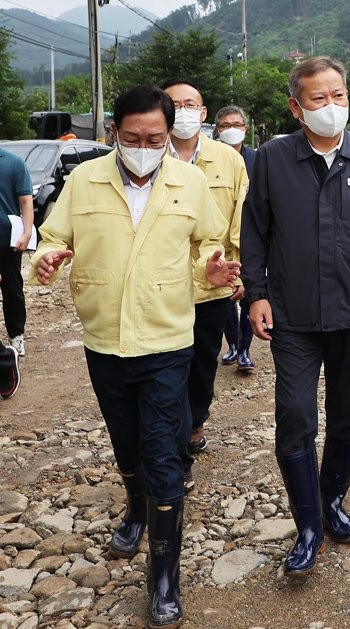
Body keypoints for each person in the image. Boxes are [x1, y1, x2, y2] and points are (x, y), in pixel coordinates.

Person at [30, 84, 239, 628]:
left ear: (168, 135)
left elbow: (208, 246)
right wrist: (48, 259)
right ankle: (134, 506)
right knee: (125, 442)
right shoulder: (84, 181)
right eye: (131, 137)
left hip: (168, 338)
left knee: (164, 450)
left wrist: (212, 272)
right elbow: (52, 235)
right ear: (113, 135)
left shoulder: (189, 182)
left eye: (154, 137)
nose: (143, 146)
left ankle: (163, 575)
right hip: (104, 338)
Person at [241, 56, 350, 578]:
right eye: (319, 98)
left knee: (346, 415)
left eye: (339, 96)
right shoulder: (270, 159)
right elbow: (255, 233)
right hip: (291, 315)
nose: (331, 107)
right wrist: (257, 293)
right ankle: (308, 524)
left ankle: (332, 499)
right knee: (295, 415)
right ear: (297, 107)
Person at [161, 79, 250, 458]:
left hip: (212, 283)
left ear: (203, 112)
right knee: (164, 361)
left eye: (191, 104)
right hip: (160, 283)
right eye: (174, 104)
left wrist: (242, 272)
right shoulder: (148, 155)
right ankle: (170, 432)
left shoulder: (228, 159)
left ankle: (195, 419)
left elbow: (242, 218)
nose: (183, 111)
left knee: (202, 360)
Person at [213, 104, 257, 372]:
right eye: (226, 126)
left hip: (251, 237)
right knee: (227, 293)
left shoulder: (259, 159)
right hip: (220, 238)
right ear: (217, 130)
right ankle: (232, 344)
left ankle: (245, 350)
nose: (232, 130)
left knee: (250, 291)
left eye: (237, 125)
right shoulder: (211, 159)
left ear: (245, 128)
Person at [0, 145, 33, 357]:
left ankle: (16, 336)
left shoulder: (14, 163)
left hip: (6, 240)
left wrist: (27, 233)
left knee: (11, 289)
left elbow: (26, 200)